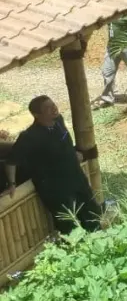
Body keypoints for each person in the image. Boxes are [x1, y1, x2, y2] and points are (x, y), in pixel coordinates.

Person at [4, 96, 102, 233]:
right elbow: (11, 162)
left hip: (76, 178)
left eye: (53, 104)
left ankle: (98, 239)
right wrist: (12, 184)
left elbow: (63, 143)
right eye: (48, 108)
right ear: (36, 115)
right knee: (68, 225)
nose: (54, 108)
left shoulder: (59, 121)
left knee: (92, 213)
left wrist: (73, 153)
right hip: (55, 188)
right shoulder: (29, 137)